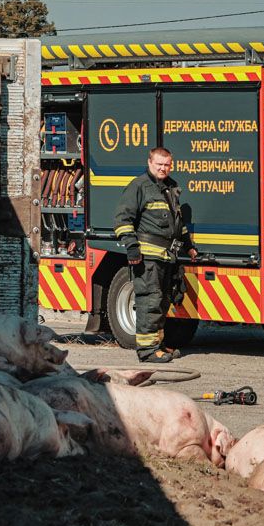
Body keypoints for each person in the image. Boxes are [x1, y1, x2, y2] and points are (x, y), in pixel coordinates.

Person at [113, 146, 198, 363]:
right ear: (149, 163)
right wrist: (132, 247)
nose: (162, 168)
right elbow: (122, 219)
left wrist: (188, 245)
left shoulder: (170, 188)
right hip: (147, 257)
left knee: (162, 301)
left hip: (166, 256)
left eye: (166, 164)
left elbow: (178, 223)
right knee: (149, 301)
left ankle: (158, 345)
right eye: (159, 164)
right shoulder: (139, 186)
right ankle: (148, 351)